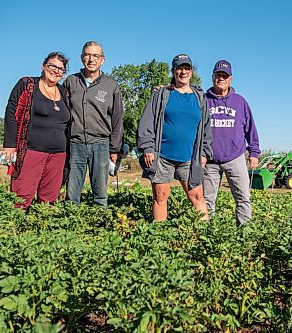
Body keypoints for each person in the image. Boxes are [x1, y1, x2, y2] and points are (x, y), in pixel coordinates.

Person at [137, 54, 212, 221]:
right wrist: (148, 147)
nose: (183, 72)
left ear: (191, 71)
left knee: (197, 196)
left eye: (186, 68)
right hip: (162, 156)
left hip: (189, 157)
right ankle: (160, 236)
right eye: (179, 68)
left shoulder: (199, 98)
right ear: (173, 71)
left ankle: (205, 235)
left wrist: (205, 152)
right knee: (161, 196)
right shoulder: (162, 95)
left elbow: (206, 127)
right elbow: (146, 123)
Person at [2, 52, 70, 209]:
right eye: (52, 66)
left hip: (58, 154)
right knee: (21, 195)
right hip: (31, 151)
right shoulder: (27, 84)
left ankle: (42, 229)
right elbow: (12, 112)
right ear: (43, 66)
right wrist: (10, 145)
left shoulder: (64, 93)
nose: (56, 71)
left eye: (61, 69)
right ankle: (15, 228)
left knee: (49, 198)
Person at [63, 41, 124, 206]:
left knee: (100, 192)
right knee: (72, 192)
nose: (91, 59)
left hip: (101, 143)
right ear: (82, 58)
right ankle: (70, 224)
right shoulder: (71, 81)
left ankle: (99, 224)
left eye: (95, 56)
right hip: (75, 144)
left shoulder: (111, 85)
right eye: (87, 55)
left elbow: (118, 118)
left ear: (102, 60)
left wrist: (115, 148)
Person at [203, 60, 260, 225]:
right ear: (213, 76)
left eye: (225, 76)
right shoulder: (203, 100)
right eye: (218, 75)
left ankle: (244, 232)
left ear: (230, 79)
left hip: (235, 157)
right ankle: (208, 234)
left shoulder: (240, 101)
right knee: (207, 201)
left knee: (243, 198)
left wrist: (254, 153)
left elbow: (250, 128)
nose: (221, 78)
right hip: (210, 160)